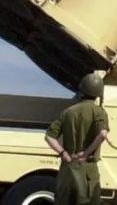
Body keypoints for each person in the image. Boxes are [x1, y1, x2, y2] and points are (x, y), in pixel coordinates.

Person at [44, 72, 109, 205]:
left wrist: (63, 153)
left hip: (67, 169)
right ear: (98, 93)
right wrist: (86, 154)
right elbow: (102, 134)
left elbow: (49, 136)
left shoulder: (68, 112)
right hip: (88, 170)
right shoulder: (99, 112)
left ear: (82, 90)